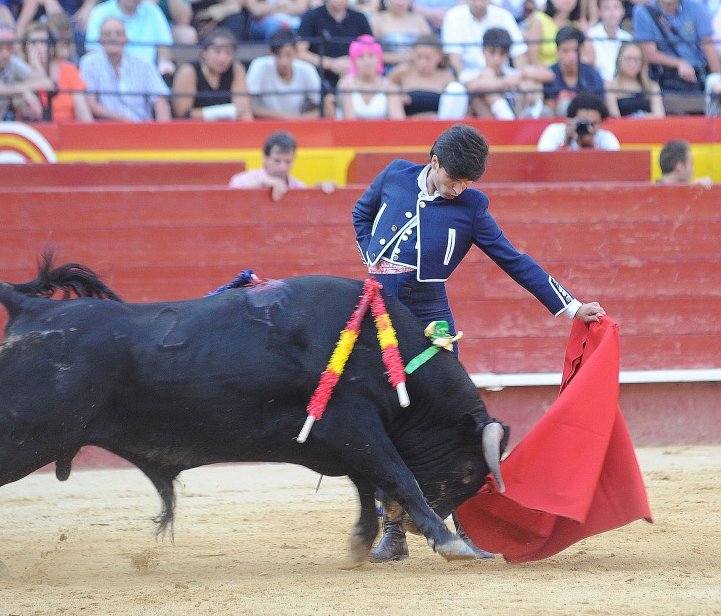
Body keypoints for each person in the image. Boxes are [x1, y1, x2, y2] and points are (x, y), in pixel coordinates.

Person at [352, 123, 606, 563]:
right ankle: (393, 531)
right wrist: (372, 263)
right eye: (454, 180)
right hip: (382, 314)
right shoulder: (394, 174)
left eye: (468, 182)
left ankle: (464, 525)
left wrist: (571, 306)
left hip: (432, 317)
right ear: (434, 162)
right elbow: (361, 213)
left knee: (453, 421)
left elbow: (514, 260)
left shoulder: (471, 207)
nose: (459, 189)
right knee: (387, 417)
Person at [633, 0, 721, 112]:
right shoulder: (643, 12)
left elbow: (708, 47)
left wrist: (719, 80)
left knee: (717, 88)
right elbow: (648, 53)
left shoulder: (697, 8)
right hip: (662, 76)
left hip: (697, 75)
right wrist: (679, 63)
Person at [79, 16, 172, 121]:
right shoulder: (88, 63)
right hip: (106, 130)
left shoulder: (143, 63)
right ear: (99, 40)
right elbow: (91, 104)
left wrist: (163, 134)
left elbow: (160, 101)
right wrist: (124, 120)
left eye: (118, 34)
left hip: (142, 129)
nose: (113, 38)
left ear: (126, 39)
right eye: (107, 34)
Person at [296, 0, 373, 91]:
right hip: (318, 81)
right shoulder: (311, 17)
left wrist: (353, 64)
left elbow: (372, 51)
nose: (339, 0)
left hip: (355, 81)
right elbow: (299, 52)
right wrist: (331, 64)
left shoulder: (360, 18)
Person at [85, 0, 175, 75]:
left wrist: (163, 62)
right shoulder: (99, 12)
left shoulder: (153, 11)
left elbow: (164, 47)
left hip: (146, 76)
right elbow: (92, 50)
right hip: (108, 74)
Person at [441, 0, 527, 79]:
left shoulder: (504, 16)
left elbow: (519, 54)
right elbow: (454, 58)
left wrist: (520, 79)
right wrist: (467, 82)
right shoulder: (453, 16)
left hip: (503, 77)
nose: (479, 3)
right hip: (469, 78)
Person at [463, 27, 553, 119]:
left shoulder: (511, 73)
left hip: (517, 113)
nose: (497, 59)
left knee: (530, 80)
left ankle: (535, 111)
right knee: (487, 78)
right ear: (483, 50)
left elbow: (550, 75)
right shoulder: (473, 73)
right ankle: (510, 119)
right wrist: (505, 82)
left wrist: (523, 76)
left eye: (502, 54)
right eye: (492, 53)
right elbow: (472, 86)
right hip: (490, 120)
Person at [245, 28, 331, 118]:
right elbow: (245, 105)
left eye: (288, 55)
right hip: (264, 125)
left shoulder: (306, 69)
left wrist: (299, 120)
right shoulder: (259, 66)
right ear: (271, 53)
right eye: (278, 55)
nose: (283, 62)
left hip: (297, 127)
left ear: (296, 52)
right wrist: (285, 117)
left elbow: (328, 110)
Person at [172, 25, 252, 119]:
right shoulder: (188, 71)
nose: (223, 58)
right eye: (217, 52)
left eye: (228, 53)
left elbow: (242, 110)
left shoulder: (236, 69)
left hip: (227, 129)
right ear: (205, 52)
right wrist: (224, 112)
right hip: (194, 129)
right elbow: (183, 114)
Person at [228, 130, 335, 201]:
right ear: (265, 158)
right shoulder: (242, 181)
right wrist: (261, 183)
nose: (283, 167)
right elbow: (229, 201)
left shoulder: (299, 186)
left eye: (288, 162)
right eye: (277, 161)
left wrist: (322, 193)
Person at [24, 21, 94, 122]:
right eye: (33, 43)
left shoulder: (69, 69)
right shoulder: (20, 71)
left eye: (43, 43)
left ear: (52, 47)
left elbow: (82, 111)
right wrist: (36, 68)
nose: (38, 48)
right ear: (25, 47)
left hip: (67, 130)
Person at [388, 33, 469, 118]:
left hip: (440, 127)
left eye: (427, 58)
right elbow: (386, 85)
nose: (423, 63)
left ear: (439, 57)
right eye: (419, 57)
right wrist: (399, 95)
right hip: (408, 127)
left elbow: (460, 108)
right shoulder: (403, 72)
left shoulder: (447, 77)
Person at [524, 0, 593, 67]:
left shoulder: (579, 22)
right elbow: (532, 59)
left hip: (572, 75)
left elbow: (590, 57)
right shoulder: (539, 19)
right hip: (544, 74)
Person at [369, 0, 432, 70]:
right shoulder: (376, 20)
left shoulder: (419, 20)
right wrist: (399, 58)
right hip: (386, 74)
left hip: (417, 73)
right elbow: (368, 53)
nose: (400, 0)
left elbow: (432, 49)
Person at [337, 34, 405, 119]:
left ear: (379, 59)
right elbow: (349, 120)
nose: (367, 62)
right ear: (354, 61)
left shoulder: (390, 86)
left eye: (371, 56)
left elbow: (398, 120)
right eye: (361, 57)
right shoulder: (345, 84)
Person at [542, 25, 605, 115]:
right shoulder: (550, 74)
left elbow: (598, 109)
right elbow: (548, 112)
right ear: (558, 51)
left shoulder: (592, 75)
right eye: (565, 51)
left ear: (582, 50)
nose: (571, 56)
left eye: (575, 50)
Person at [537, 90, 621, 150]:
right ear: (571, 119)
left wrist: (593, 147)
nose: (589, 128)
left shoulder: (606, 138)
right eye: (584, 122)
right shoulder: (555, 132)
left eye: (593, 124)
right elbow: (544, 160)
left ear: (601, 122)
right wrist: (566, 142)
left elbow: (614, 165)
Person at [604, 41, 665, 117]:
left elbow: (660, 116)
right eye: (628, 58)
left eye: (637, 59)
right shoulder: (610, 86)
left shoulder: (652, 86)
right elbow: (615, 117)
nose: (632, 63)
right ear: (619, 60)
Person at [588, 0, 633, 82]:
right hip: (597, 85)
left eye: (616, 7)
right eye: (607, 8)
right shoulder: (590, 35)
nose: (612, 12)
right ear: (600, 12)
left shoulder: (628, 38)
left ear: (622, 11)